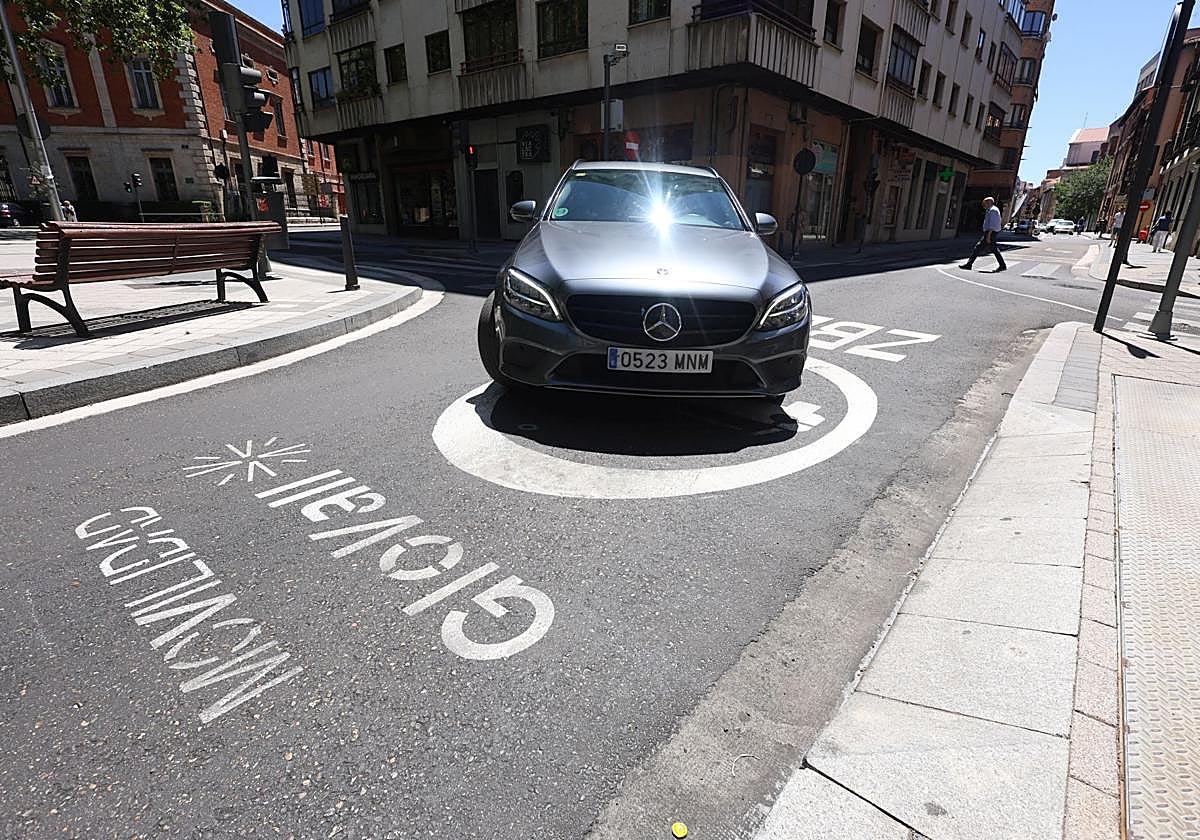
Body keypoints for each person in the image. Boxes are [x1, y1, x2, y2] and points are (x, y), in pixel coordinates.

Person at [959, 196, 1007, 272]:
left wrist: (988, 236)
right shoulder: (990, 210)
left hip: (990, 232)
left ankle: (969, 264)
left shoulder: (993, 211)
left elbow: (992, 224)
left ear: (989, 202)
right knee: (992, 249)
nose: (983, 205)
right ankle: (1002, 265)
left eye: (985, 203)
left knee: (978, 248)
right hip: (990, 233)